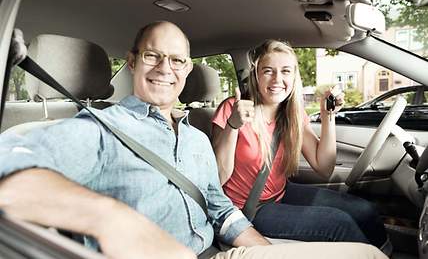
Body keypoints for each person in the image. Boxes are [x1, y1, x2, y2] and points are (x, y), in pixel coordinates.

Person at [0, 22, 387, 259]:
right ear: (132, 61)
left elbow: (221, 210)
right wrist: (107, 217)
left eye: (177, 60)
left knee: (367, 254)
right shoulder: (100, 128)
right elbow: (7, 161)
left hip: (220, 249)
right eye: (153, 56)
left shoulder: (193, 139)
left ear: (187, 69)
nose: (165, 69)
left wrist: (267, 253)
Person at [211, 39, 390, 253]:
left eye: (285, 71)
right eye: (268, 71)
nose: (277, 79)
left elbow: (324, 168)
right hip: (248, 209)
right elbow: (218, 177)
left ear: (294, 77)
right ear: (256, 75)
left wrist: (327, 116)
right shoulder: (232, 109)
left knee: (364, 209)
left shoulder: (292, 114)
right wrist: (233, 125)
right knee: (339, 224)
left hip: (280, 194)